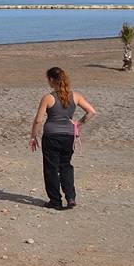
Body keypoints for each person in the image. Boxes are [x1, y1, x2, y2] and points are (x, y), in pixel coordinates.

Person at [29, 67, 96, 210]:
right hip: (68, 136)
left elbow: (38, 120)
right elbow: (91, 111)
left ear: (52, 80)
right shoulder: (75, 96)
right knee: (66, 165)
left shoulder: (48, 97)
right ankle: (70, 197)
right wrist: (78, 123)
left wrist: (33, 136)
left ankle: (55, 200)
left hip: (52, 136)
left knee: (51, 168)